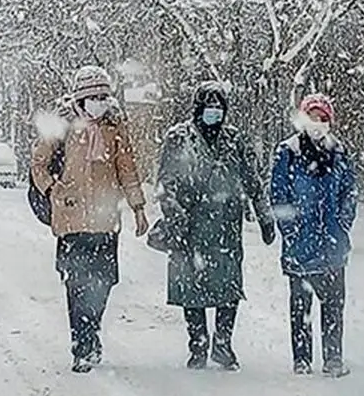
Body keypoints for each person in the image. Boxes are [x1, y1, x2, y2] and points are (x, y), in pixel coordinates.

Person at [31, 65, 149, 373]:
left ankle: (92, 329)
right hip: (71, 221)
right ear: (81, 98)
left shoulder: (114, 128)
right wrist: (54, 190)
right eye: (94, 96)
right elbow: (38, 164)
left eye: (104, 97)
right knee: (76, 284)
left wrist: (138, 208)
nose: (100, 102)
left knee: (104, 281)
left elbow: (127, 169)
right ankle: (81, 346)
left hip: (105, 220)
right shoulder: (63, 126)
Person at [156, 81, 275, 370]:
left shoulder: (235, 139)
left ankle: (223, 344)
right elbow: (165, 184)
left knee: (228, 287)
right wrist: (175, 215)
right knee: (191, 286)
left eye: (219, 108)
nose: (214, 113)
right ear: (198, 109)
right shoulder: (178, 138)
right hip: (190, 227)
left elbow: (252, 181)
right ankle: (198, 343)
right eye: (209, 107)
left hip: (225, 227)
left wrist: (265, 216)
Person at [270, 93, 358, 378]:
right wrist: (291, 231)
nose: (318, 124)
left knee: (333, 305)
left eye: (323, 118)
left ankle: (333, 358)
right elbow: (278, 194)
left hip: (333, 245)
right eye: (313, 117)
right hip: (301, 246)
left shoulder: (339, 152)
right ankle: (302, 358)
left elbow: (350, 191)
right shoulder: (288, 152)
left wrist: (343, 224)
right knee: (301, 307)